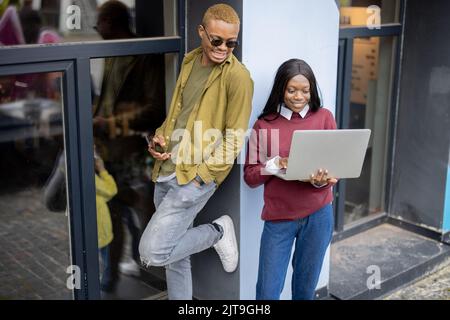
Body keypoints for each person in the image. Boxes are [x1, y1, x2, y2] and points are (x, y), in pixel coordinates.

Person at [138, 4, 254, 300]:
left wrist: (204, 178)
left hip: (195, 178)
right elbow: (177, 114)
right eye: (217, 40)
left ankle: (217, 232)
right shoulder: (190, 61)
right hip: (167, 171)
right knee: (176, 260)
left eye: (231, 42)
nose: (224, 48)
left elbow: (234, 137)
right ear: (201, 32)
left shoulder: (238, 77)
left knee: (152, 252)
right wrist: (161, 138)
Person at [243, 59, 337, 300]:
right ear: (281, 89)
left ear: (312, 90)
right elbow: (250, 177)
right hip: (279, 219)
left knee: (305, 291)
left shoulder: (325, 118)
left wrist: (320, 181)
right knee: (267, 292)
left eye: (305, 91)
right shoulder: (264, 125)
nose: (299, 97)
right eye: (292, 90)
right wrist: (276, 164)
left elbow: (334, 166)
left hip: (319, 216)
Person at [92, 0, 166, 281]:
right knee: (114, 209)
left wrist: (109, 123)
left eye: (98, 23)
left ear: (110, 22)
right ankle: (111, 276)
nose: (97, 29)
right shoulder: (111, 53)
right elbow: (109, 98)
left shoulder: (142, 55)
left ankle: (146, 268)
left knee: (141, 208)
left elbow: (154, 108)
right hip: (109, 147)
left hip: (134, 148)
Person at [94, 149, 118, 292]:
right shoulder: (89, 175)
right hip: (99, 228)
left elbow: (105, 194)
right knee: (104, 262)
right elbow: (111, 190)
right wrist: (102, 170)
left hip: (99, 228)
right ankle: (104, 286)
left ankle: (104, 285)